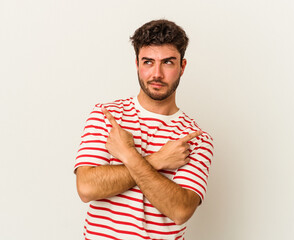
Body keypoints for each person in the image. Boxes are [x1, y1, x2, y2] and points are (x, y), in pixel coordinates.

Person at [74, 19, 214, 240]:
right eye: (148, 62)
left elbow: (180, 211)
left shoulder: (196, 139)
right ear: (137, 63)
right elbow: (86, 187)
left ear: (182, 66)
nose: (156, 74)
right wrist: (159, 160)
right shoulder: (107, 115)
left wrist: (127, 154)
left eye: (167, 62)